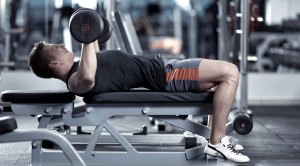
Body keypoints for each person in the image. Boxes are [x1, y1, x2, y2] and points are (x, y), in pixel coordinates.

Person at [28, 40, 250, 163]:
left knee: (221, 81)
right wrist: (86, 36)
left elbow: (93, 53)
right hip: (168, 75)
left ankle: (214, 138)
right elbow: (88, 77)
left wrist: (91, 32)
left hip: (167, 68)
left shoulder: (82, 65)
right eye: (55, 48)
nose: (61, 45)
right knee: (230, 73)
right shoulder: (76, 80)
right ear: (53, 65)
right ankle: (218, 141)